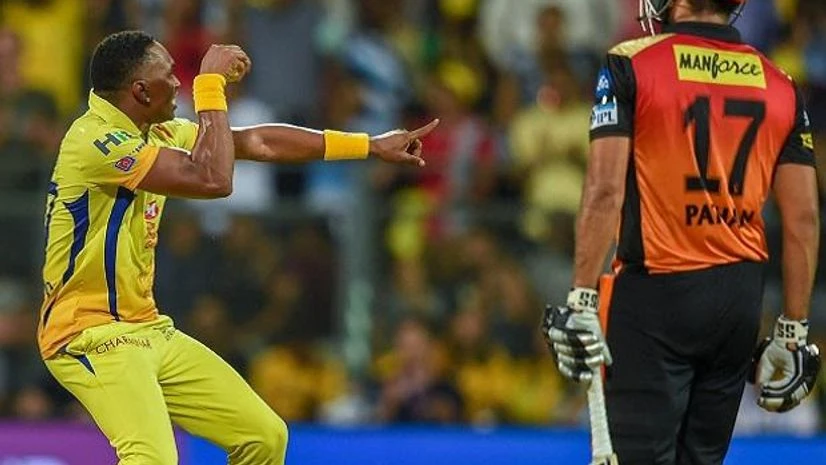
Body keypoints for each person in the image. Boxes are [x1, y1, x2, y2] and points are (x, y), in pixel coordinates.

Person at [38, 30, 438, 465]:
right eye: (169, 75)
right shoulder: (95, 141)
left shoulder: (154, 130)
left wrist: (368, 145)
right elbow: (212, 178)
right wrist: (210, 85)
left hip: (147, 327)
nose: (178, 83)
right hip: (89, 333)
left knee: (263, 438)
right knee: (152, 459)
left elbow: (255, 142)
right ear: (139, 90)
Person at [541, 1, 821, 464]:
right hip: (738, 302)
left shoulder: (630, 62)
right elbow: (803, 219)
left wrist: (581, 298)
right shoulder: (780, 84)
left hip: (655, 292)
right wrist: (793, 331)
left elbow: (605, 190)